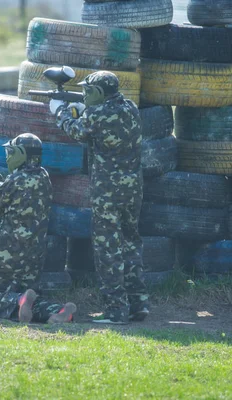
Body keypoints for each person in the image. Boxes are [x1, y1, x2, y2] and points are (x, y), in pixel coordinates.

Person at [51, 71, 149, 324]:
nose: (84, 93)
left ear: (98, 92)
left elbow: (75, 131)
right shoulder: (130, 107)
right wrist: (82, 107)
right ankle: (138, 304)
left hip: (108, 190)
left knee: (108, 249)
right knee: (131, 243)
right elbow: (103, 120)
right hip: (133, 187)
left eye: (87, 91)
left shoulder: (97, 114)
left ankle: (116, 311)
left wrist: (60, 111)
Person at [0, 132, 76, 324]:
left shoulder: (15, 179)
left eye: (12, 152)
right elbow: (17, 194)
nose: (9, 156)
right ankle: (58, 311)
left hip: (9, 250)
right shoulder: (43, 176)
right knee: (30, 295)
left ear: (21, 154)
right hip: (35, 252)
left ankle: (19, 299)